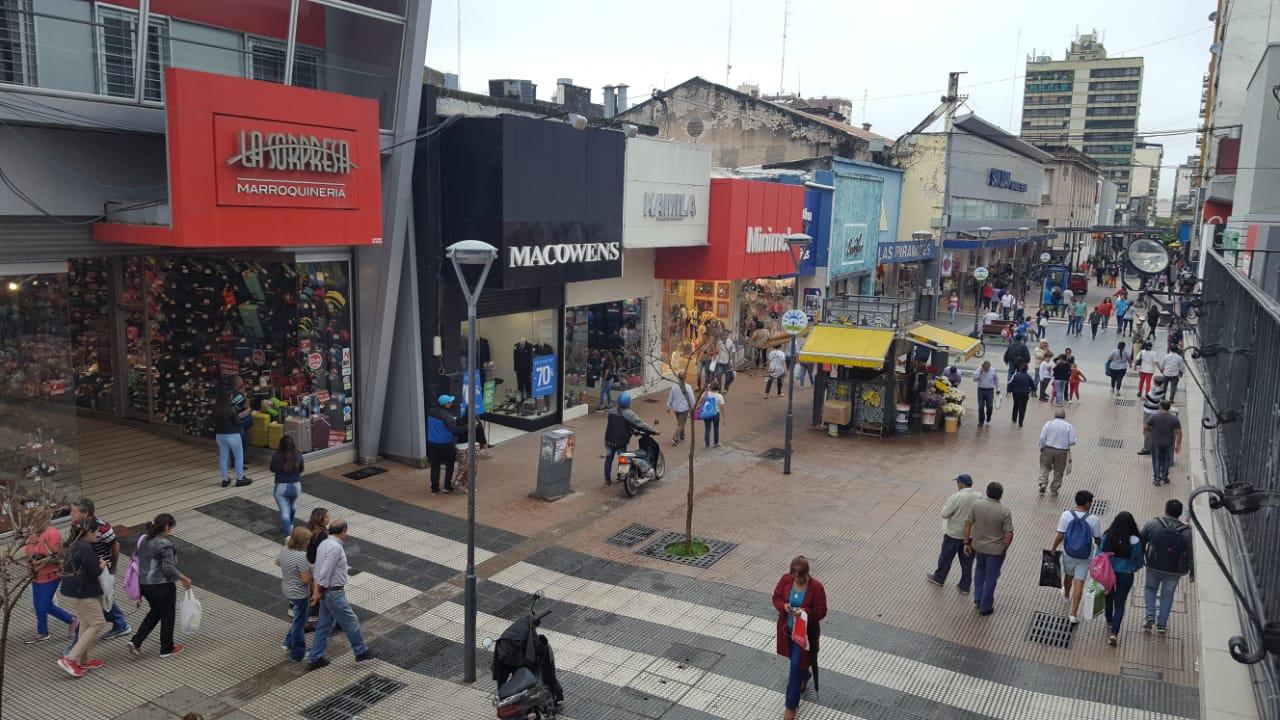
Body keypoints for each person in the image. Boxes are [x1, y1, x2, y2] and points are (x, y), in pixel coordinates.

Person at [306, 519, 373, 670]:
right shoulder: (335, 548)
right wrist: (318, 590)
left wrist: (317, 590)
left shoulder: (324, 544)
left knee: (323, 626)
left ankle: (315, 658)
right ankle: (360, 651)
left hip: (326, 592)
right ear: (343, 532)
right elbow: (325, 571)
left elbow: (317, 567)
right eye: (345, 531)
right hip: (334, 592)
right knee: (351, 621)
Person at [128, 513, 192, 658]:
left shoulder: (144, 540)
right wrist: (184, 579)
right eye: (171, 527)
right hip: (161, 586)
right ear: (167, 526)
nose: (171, 531)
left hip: (144, 585)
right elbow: (168, 568)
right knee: (168, 615)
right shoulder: (165, 544)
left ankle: (136, 641)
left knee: (156, 612)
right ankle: (166, 648)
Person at [772, 556, 827, 720]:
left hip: (804, 636)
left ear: (806, 574)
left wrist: (804, 612)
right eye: (794, 575)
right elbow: (776, 598)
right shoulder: (785, 580)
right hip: (787, 630)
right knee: (796, 663)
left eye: (799, 576)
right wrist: (784, 606)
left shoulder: (816, 587)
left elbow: (822, 611)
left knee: (795, 666)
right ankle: (804, 675)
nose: (796, 579)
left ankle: (791, 707)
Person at [67, 499, 129, 642]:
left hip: (99, 567)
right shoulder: (76, 525)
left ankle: (76, 645)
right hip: (85, 567)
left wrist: (113, 567)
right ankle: (120, 623)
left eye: (74, 511)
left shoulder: (103, 528)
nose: (71, 514)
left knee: (92, 600)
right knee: (97, 599)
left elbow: (115, 546)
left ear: (85, 513)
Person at [58, 521, 107, 678]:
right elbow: (94, 571)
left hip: (71, 591)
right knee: (98, 623)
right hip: (83, 593)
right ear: (87, 533)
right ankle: (71, 659)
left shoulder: (74, 545)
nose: (97, 535)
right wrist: (101, 565)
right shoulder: (86, 547)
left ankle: (83, 660)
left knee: (86, 624)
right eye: (95, 532)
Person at [1141, 499, 1193, 634]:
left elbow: (1141, 540)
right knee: (1167, 595)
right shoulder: (1186, 532)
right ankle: (1162, 624)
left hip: (1154, 565)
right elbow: (1190, 553)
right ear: (1180, 513)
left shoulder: (1153, 523)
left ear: (1166, 510)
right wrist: (1192, 571)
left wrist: (1140, 558)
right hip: (1175, 570)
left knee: (1150, 588)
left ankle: (1150, 615)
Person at [962, 482, 1014, 616]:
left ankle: (978, 597)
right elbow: (1009, 533)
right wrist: (1004, 547)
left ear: (987, 492)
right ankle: (985, 607)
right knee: (991, 578)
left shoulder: (976, 505)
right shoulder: (1004, 511)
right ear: (1000, 495)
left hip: (978, 546)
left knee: (979, 570)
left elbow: (967, 524)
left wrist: (966, 542)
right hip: (995, 551)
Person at [1051, 490, 1103, 624]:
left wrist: (1053, 548)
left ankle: (1067, 595)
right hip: (1085, 556)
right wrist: (1101, 551)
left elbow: (1060, 535)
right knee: (1079, 582)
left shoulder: (1066, 515)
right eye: (1091, 502)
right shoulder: (1093, 519)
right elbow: (1097, 540)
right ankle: (1073, 614)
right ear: (1087, 503)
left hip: (1069, 552)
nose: (1091, 504)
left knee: (1068, 576)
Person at [926, 474, 983, 591]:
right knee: (967, 561)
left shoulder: (957, 497)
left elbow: (945, 514)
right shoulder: (980, 496)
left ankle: (939, 578)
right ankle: (965, 585)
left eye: (957, 483)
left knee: (946, 557)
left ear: (961, 484)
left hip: (953, 534)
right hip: (970, 535)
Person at [23, 515, 74, 644]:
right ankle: (43, 631)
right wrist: (30, 569)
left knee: (43, 605)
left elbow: (57, 557)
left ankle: (71, 620)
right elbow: (28, 553)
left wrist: (40, 563)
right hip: (37, 576)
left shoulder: (52, 534)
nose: (32, 524)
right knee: (40, 604)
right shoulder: (33, 534)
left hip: (50, 575)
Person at [1102, 512, 1145, 646]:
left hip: (1109, 572)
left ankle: (1109, 618)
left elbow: (1101, 552)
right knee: (1120, 603)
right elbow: (1138, 560)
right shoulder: (1135, 541)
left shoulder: (1108, 535)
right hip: (1126, 574)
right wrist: (1134, 567)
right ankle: (1114, 633)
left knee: (1108, 595)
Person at [603, 392, 657, 485]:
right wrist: (653, 430)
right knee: (623, 458)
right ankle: (622, 476)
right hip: (621, 442)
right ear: (628, 402)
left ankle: (607, 480)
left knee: (608, 460)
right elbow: (640, 424)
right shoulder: (628, 414)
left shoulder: (611, 411)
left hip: (609, 440)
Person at [277, 527, 314, 662]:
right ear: (302, 542)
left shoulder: (285, 550)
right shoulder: (301, 557)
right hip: (300, 593)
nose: (309, 542)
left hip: (287, 588)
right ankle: (298, 653)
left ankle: (288, 642)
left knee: (298, 618)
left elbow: (277, 562)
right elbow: (306, 579)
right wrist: (312, 570)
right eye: (308, 540)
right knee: (300, 622)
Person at [213, 387, 252, 488]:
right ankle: (240, 479)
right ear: (229, 397)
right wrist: (247, 411)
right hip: (233, 435)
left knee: (223, 458)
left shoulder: (216, 408)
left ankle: (225, 480)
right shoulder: (231, 408)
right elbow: (237, 422)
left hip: (220, 436)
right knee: (239, 457)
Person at [270, 435, 305, 539]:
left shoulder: (276, 456)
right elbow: (301, 469)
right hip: (296, 486)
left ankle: (288, 536)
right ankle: (290, 525)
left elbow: (272, 469)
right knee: (292, 506)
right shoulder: (298, 455)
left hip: (281, 486)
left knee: (284, 512)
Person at [1037, 408, 1077, 496]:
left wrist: (1041, 447)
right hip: (1062, 452)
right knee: (1058, 471)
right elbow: (1072, 441)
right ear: (1064, 416)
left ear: (1055, 416)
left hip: (1048, 449)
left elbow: (1042, 437)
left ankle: (1043, 483)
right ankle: (1054, 489)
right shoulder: (1068, 426)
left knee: (1044, 467)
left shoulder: (1049, 424)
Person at [426, 395, 461, 495]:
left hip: (432, 443)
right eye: (450, 402)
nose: (451, 404)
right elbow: (454, 429)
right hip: (445, 444)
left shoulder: (431, 411)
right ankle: (447, 486)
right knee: (450, 464)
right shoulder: (446, 415)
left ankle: (434, 489)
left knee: (435, 466)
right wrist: (467, 427)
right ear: (446, 404)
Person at [1144, 400, 1182, 486]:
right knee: (1166, 459)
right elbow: (1179, 432)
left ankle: (1157, 478)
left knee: (1156, 460)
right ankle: (1164, 477)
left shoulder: (1154, 417)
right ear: (1169, 408)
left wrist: (1151, 431)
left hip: (1155, 443)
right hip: (1168, 443)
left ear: (1160, 407)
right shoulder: (1174, 419)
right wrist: (1178, 445)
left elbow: (1145, 427)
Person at [665, 378, 694, 446]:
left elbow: (671, 397)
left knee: (680, 422)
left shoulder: (674, 386)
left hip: (676, 408)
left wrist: (669, 406)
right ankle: (675, 438)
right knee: (680, 424)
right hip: (684, 408)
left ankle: (682, 435)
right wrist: (693, 407)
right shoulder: (688, 387)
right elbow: (691, 398)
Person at [1007, 362, 1036, 427]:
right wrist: (1033, 391)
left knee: (1015, 405)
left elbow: (1010, 383)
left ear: (1020, 369)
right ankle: (1020, 422)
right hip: (1025, 394)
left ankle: (1014, 418)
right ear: (1027, 369)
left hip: (1016, 393)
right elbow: (1033, 386)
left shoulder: (1016, 375)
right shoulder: (1028, 377)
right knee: (1023, 407)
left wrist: (1009, 391)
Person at [972, 362, 998, 428]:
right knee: (981, 406)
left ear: (990, 367)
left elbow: (996, 380)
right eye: (985, 368)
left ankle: (989, 415)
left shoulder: (993, 370)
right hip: (981, 390)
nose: (986, 369)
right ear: (982, 366)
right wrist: (980, 373)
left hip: (990, 390)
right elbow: (974, 379)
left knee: (989, 406)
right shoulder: (978, 370)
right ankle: (981, 421)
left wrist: (998, 389)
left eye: (988, 368)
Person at [700, 381, 725, 449]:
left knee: (707, 429)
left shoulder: (705, 393)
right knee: (716, 428)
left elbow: (701, 402)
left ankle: (707, 445)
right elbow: (722, 408)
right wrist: (724, 418)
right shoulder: (719, 396)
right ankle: (715, 443)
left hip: (707, 413)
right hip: (715, 414)